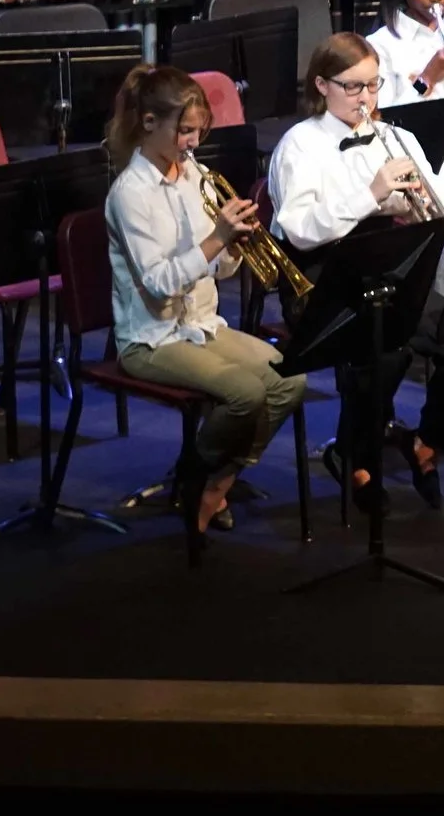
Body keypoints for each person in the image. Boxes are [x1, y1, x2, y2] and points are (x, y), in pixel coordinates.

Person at [267, 33, 444, 512]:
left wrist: (428, 204)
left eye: (373, 85)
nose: (365, 97)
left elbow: (440, 204)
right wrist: (371, 194)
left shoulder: (395, 137)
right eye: (353, 86)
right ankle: (354, 455)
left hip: (390, 271)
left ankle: (426, 440)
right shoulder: (299, 146)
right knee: (385, 348)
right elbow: (300, 230)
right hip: (322, 280)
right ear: (321, 85)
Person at [101, 64, 307, 534]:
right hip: (152, 339)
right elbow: (158, 284)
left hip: (201, 324)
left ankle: (213, 481)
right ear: (149, 123)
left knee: (290, 379)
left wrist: (234, 246)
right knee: (245, 393)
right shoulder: (130, 194)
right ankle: (198, 474)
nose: (193, 143)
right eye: (185, 131)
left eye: (199, 131)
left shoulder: (195, 176)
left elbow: (219, 269)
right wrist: (216, 239)